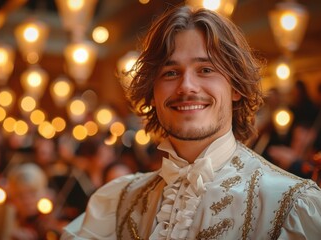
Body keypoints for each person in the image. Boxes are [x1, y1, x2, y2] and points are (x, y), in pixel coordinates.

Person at [62, 5, 321, 239]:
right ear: (153, 92)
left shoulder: (292, 206)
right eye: (170, 72)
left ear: (236, 87)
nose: (186, 86)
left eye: (206, 70)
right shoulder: (118, 202)